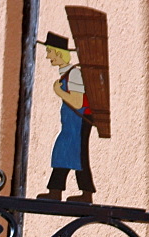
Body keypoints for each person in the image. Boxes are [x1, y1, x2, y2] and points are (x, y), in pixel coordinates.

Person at [36, 32, 95, 203]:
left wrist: (59, 91)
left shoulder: (74, 74)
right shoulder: (67, 74)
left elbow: (77, 102)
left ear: (59, 53)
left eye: (50, 51)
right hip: (71, 123)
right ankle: (55, 191)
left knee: (78, 155)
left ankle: (85, 193)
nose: (48, 56)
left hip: (80, 120)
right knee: (64, 152)